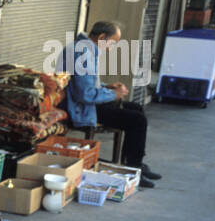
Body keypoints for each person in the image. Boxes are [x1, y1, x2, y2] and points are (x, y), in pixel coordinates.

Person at [66, 21, 161, 188]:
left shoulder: (84, 48)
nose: (111, 48)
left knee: (136, 109)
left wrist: (107, 87)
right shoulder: (84, 54)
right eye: (112, 43)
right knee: (137, 120)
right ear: (102, 37)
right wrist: (113, 94)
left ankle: (133, 163)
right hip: (81, 108)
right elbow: (84, 94)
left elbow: (87, 84)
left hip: (86, 103)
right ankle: (133, 167)